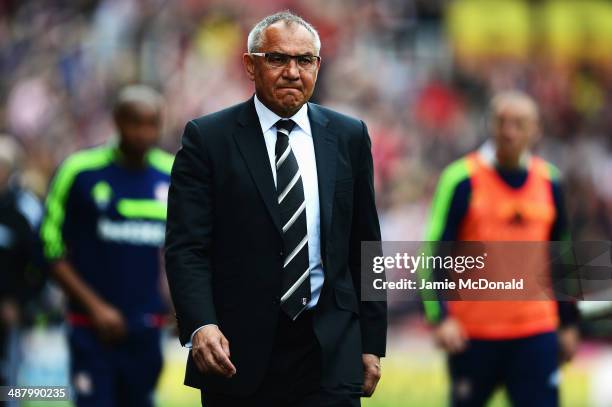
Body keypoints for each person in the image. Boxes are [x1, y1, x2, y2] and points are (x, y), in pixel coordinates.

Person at [165, 11, 387, 407]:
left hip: (329, 352)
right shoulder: (207, 138)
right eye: (277, 59)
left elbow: (366, 245)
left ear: (318, 67)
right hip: (235, 352)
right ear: (250, 65)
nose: (292, 71)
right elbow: (187, 248)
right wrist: (201, 325)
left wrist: (372, 342)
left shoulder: (350, 135)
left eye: (304, 60)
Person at [423, 91, 580, 407]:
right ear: (489, 126)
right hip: (473, 336)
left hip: (535, 334)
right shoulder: (461, 179)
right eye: (501, 122)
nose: (508, 131)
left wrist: (569, 323)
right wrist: (440, 317)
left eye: (518, 124)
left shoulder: (550, 181)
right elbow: (433, 254)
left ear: (536, 131)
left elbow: (562, 254)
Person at [40, 85, 173, 407]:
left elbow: (187, 248)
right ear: (116, 121)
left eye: (152, 124)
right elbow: (48, 246)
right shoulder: (80, 171)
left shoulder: (173, 174)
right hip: (90, 329)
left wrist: (176, 302)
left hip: (146, 328)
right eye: (135, 123)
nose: (144, 133)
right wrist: (95, 307)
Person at [0, 135, 43, 391]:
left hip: (10, 314)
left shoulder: (24, 210)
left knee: (8, 383)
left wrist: (20, 300)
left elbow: (40, 261)